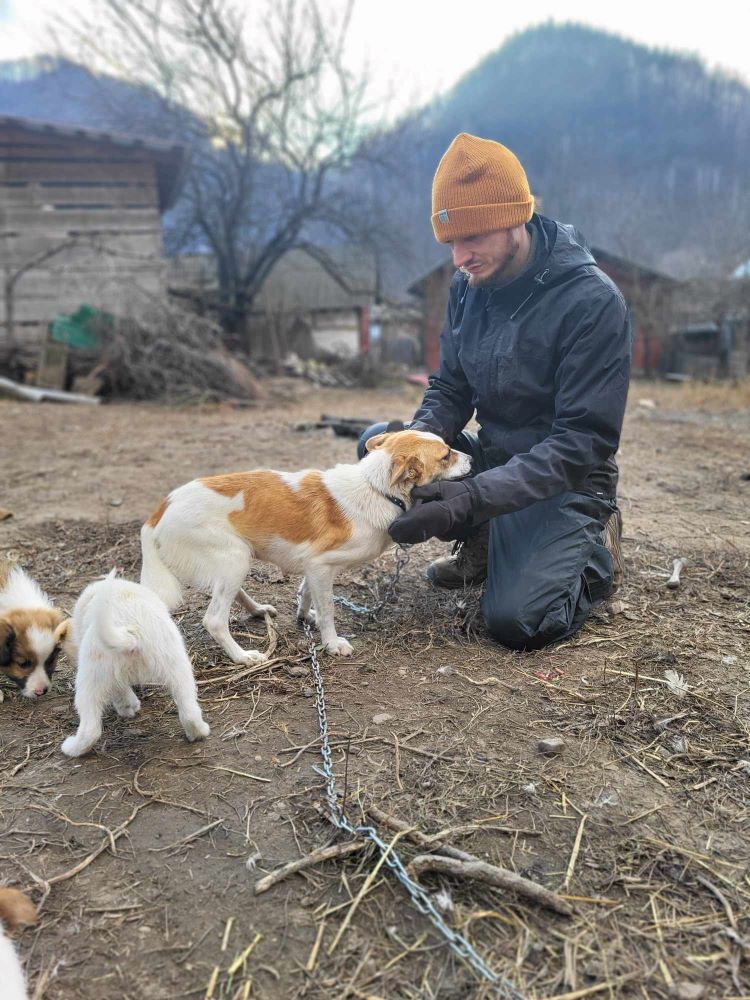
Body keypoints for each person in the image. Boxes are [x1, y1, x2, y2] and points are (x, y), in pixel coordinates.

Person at [358, 132, 630, 651]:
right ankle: (488, 542)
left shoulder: (592, 302)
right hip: (496, 458)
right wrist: (419, 440)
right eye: (450, 243)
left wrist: (469, 498)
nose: (459, 257)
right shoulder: (468, 286)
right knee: (378, 446)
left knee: (519, 622)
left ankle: (591, 553)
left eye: (473, 238)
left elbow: (581, 443)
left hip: (567, 477)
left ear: (515, 220)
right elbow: (451, 387)